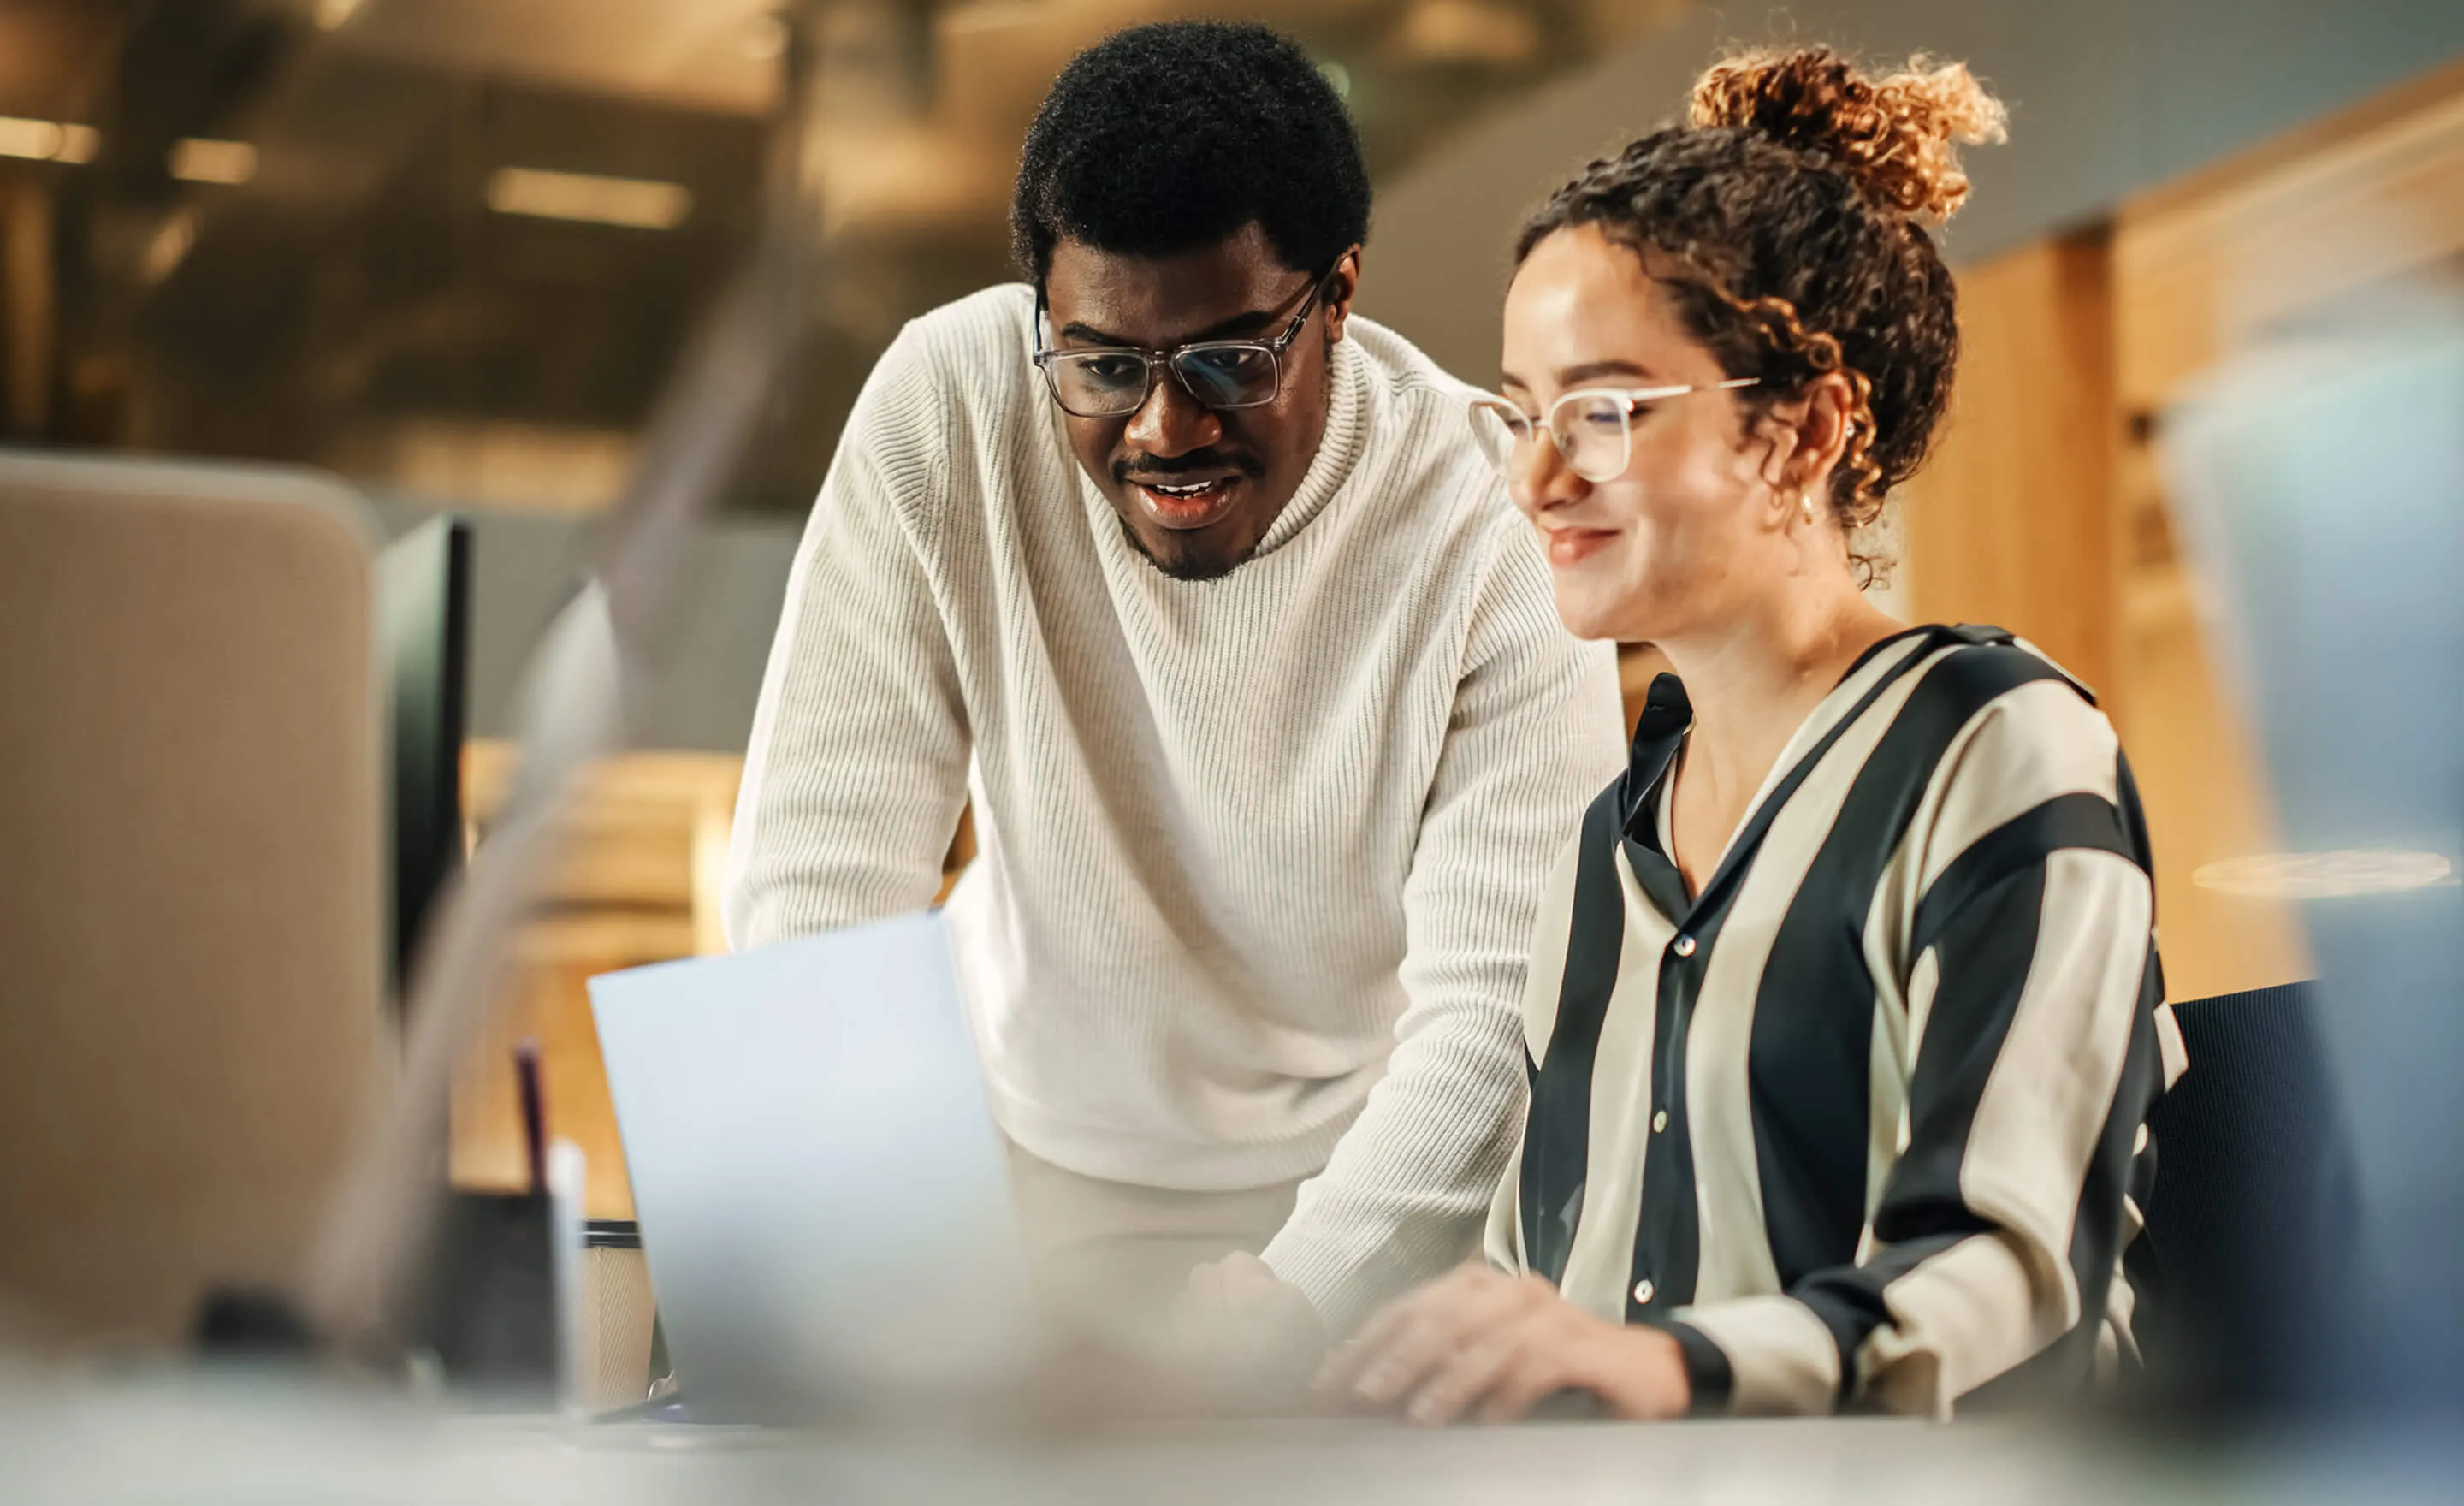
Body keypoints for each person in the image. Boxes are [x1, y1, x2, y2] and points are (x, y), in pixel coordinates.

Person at [724, 21, 1626, 1349]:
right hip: (1019, 1161)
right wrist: (882, 1277)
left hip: (1367, 1195)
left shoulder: (1486, 519)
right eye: (1102, 366)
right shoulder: (949, 406)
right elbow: (818, 883)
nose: (1163, 430)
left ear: (1339, 296)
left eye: (1228, 361)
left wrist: (1290, 1304)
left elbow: (1499, 1010)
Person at [1319, 45, 2187, 1421]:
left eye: (1601, 410)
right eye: (1522, 414)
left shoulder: (1993, 745)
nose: (1537, 478)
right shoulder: (1601, 854)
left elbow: (2015, 1276)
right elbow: (1538, 1291)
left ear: (1804, 432)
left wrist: (1670, 1370)